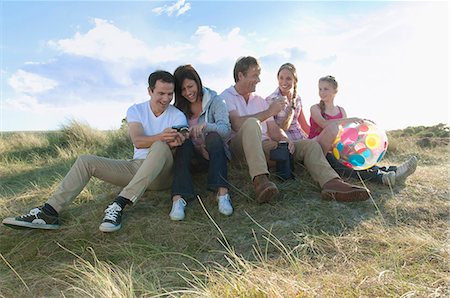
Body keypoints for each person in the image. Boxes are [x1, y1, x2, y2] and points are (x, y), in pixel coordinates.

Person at [2, 71, 188, 232]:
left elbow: (178, 141)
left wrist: (176, 139)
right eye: (161, 93)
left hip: (162, 173)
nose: (165, 99)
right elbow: (138, 141)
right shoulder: (136, 110)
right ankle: (49, 213)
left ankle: (119, 204)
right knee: (85, 160)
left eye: (170, 94)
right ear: (150, 91)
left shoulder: (177, 115)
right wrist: (162, 136)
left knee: (160, 146)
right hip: (136, 167)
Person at [220, 56, 370, 203]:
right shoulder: (226, 97)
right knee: (252, 123)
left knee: (310, 145)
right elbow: (236, 124)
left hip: (264, 147)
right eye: (255, 76)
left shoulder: (258, 100)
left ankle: (331, 183)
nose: (259, 80)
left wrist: (285, 139)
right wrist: (269, 112)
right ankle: (261, 181)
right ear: (240, 75)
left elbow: (273, 129)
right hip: (240, 150)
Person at [308, 75, 417, 186]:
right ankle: (381, 177)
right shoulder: (315, 108)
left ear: (335, 91)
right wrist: (349, 119)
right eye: (320, 89)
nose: (322, 92)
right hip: (319, 149)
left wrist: (364, 124)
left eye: (326, 89)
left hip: (336, 148)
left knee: (355, 160)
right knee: (340, 166)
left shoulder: (341, 111)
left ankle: (394, 170)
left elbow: (345, 134)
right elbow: (324, 124)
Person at [169, 64, 233, 221]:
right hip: (190, 157)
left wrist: (206, 126)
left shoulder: (216, 101)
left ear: (198, 82)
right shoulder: (178, 108)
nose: (188, 92)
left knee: (213, 136)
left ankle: (222, 194)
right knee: (183, 143)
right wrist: (194, 144)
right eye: (182, 90)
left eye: (190, 86)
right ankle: (178, 199)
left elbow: (226, 130)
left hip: (213, 156)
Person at [265, 63, 310, 140]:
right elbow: (270, 129)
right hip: (284, 142)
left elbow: (304, 125)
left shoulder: (297, 99)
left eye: (288, 78)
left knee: (317, 144)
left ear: (295, 81)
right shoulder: (270, 100)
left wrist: (315, 137)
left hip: (300, 138)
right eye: (281, 78)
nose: (284, 82)